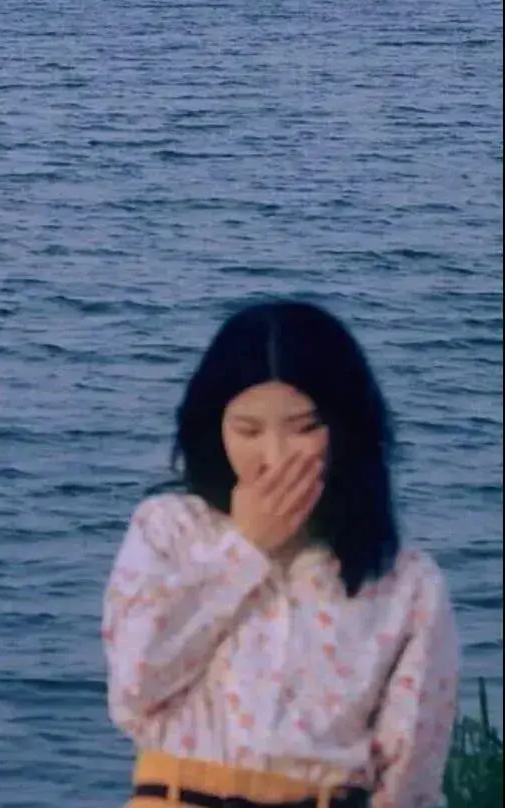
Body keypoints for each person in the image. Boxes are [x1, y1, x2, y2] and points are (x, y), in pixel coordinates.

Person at [103, 300, 459, 808]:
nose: (275, 456)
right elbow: (135, 688)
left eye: (305, 427)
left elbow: (409, 776)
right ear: (215, 429)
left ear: (346, 427)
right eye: (248, 431)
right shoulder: (169, 529)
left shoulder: (406, 582)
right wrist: (244, 549)